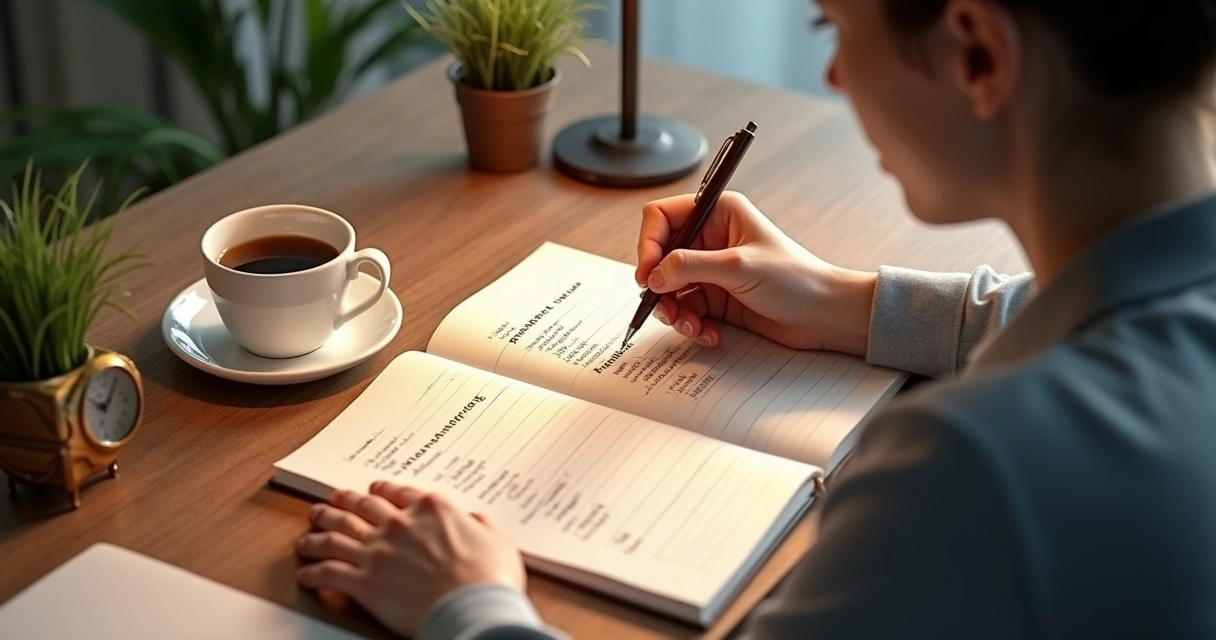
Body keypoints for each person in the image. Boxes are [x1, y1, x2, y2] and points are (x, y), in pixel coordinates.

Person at [293, 0, 1216, 637]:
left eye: (836, 25)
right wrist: (845, 304)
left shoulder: (975, 473)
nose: (833, 71)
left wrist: (470, 606)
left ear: (978, 51)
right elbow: (1075, 309)